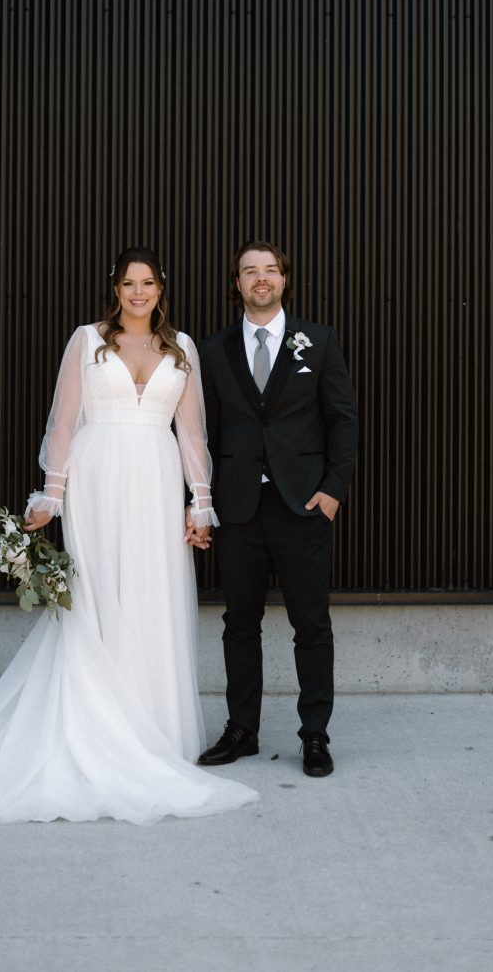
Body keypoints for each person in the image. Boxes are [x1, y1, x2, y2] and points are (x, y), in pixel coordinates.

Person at [0, 247, 258, 823]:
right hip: (97, 480)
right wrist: (52, 493)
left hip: (155, 475)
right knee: (97, 598)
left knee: (152, 597)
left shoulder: (184, 347)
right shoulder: (87, 340)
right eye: (129, 284)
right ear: (116, 289)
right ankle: (93, 727)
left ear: (161, 289)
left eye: (148, 283)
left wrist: (200, 502)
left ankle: (150, 733)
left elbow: (192, 431)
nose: (139, 293)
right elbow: (64, 419)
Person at [197, 241, 358, 776]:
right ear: (237, 284)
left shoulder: (319, 341)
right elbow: (205, 433)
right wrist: (203, 500)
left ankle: (315, 733)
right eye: (249, 272)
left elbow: (343, 420)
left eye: (270, 271)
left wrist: (332, 490)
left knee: (311, 624)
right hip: (240, 507)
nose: (260, 279)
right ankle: (242, 729)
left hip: (303, 505)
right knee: (239, 623)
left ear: (284, 280)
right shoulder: (214, 350)